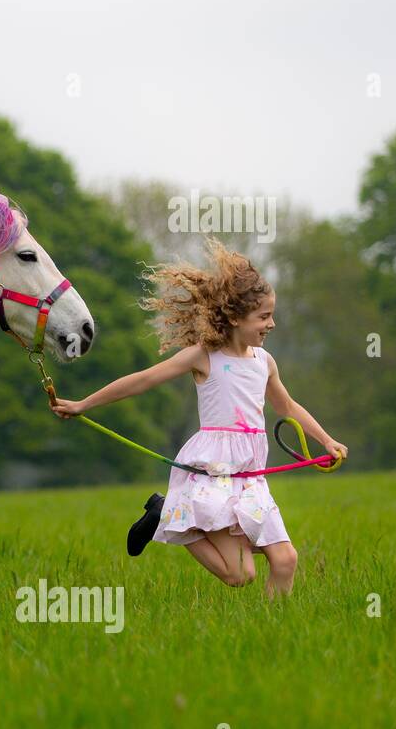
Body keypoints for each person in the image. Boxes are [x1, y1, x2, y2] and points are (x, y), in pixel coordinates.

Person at [50, 238, 348, 597]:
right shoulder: (204, 356)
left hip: (250, 475)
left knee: (285, 561)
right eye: (264, 316)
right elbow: (143, 381)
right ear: (237, 318)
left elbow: (287, 407)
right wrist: (84, 404)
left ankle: (277, 632)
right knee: (241, 575)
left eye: (272, 314)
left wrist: (327, 440)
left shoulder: (264, 362)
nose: (271, 324)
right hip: (213, 469)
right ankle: (168, 512)